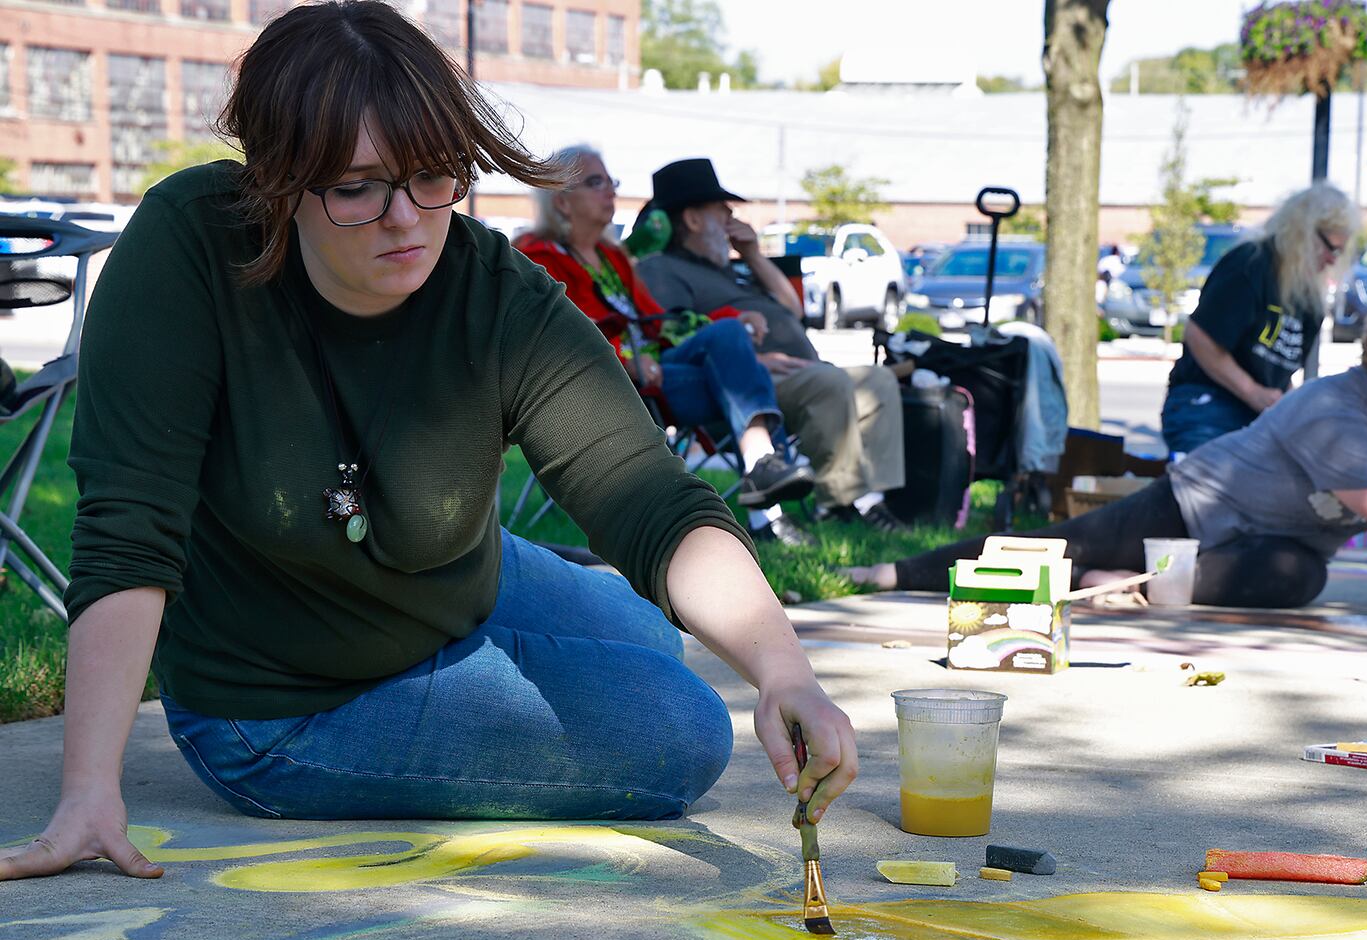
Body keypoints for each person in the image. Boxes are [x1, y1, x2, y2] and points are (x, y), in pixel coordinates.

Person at [0, 1, 856, 884]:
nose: (407, 218)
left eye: (433, 175)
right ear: (277, 181)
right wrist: (87, 792)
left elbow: (647, 495)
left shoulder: (493, 291)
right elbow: (126, 531)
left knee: (657, 631)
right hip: (283, 696)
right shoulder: (188, 250)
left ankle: (467, 665)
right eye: (357, 185)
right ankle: (415, 698)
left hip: (449, 581)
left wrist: (786, 672)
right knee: (680, 729)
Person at [850, 308, 1367, 614]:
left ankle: (1131, 587)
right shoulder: (1341, 410)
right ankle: (893, 571)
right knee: (1046, 553)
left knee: (1302, 579)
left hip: (1268, 546)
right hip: (1194, 505)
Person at [514, 144, 816, 546]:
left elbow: (659, 321)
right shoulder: (536, 257)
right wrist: (622, 360)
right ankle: (766, 511)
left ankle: (762, 466)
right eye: (597, 182)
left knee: (729, 343)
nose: (612, 191)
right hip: (608, 385)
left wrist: (731, 320)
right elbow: (557, 337)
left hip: (659, 373)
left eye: (611, 181)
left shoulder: (612, 256)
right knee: (737, 378)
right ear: (562, 201)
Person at [635, 159, 908, 532]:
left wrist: (753, 255)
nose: (732, 216)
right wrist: (759, 359)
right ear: (694, 219)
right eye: (722, 209)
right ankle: (841, 502)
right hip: (747, 387)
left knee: (878, 382)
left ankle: (872, 498)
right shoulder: (661, 269)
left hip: (800, 372)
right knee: (830, 385)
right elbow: (676, 336)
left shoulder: (728, 267)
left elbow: (794, 309)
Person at [1162, 183, 1360, 457]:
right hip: (1206, 404)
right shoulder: (1251, 264)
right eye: (1330, 247)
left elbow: (1278, 370)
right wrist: (1252, 391)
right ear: (1302, 232)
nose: (1331, 259)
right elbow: (1200, 336)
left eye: (1339, 251)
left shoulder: (1308, 296)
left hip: (1259, 415)